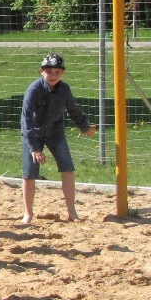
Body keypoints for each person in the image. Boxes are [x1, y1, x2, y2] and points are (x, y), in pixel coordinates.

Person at [20, 53, 96, 223]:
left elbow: (73, 109)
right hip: (33, 134)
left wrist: (84, 126)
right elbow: (26, 120)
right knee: (29, 173)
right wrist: (34, 148)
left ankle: (72, 211)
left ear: (62, 73)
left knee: (67, 167)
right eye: (49, 71)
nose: (53, 75)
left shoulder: (64, 89)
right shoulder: (33, 90)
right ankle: (28, 213)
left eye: (57, 72)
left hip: (55, 132)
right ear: (41, 71)